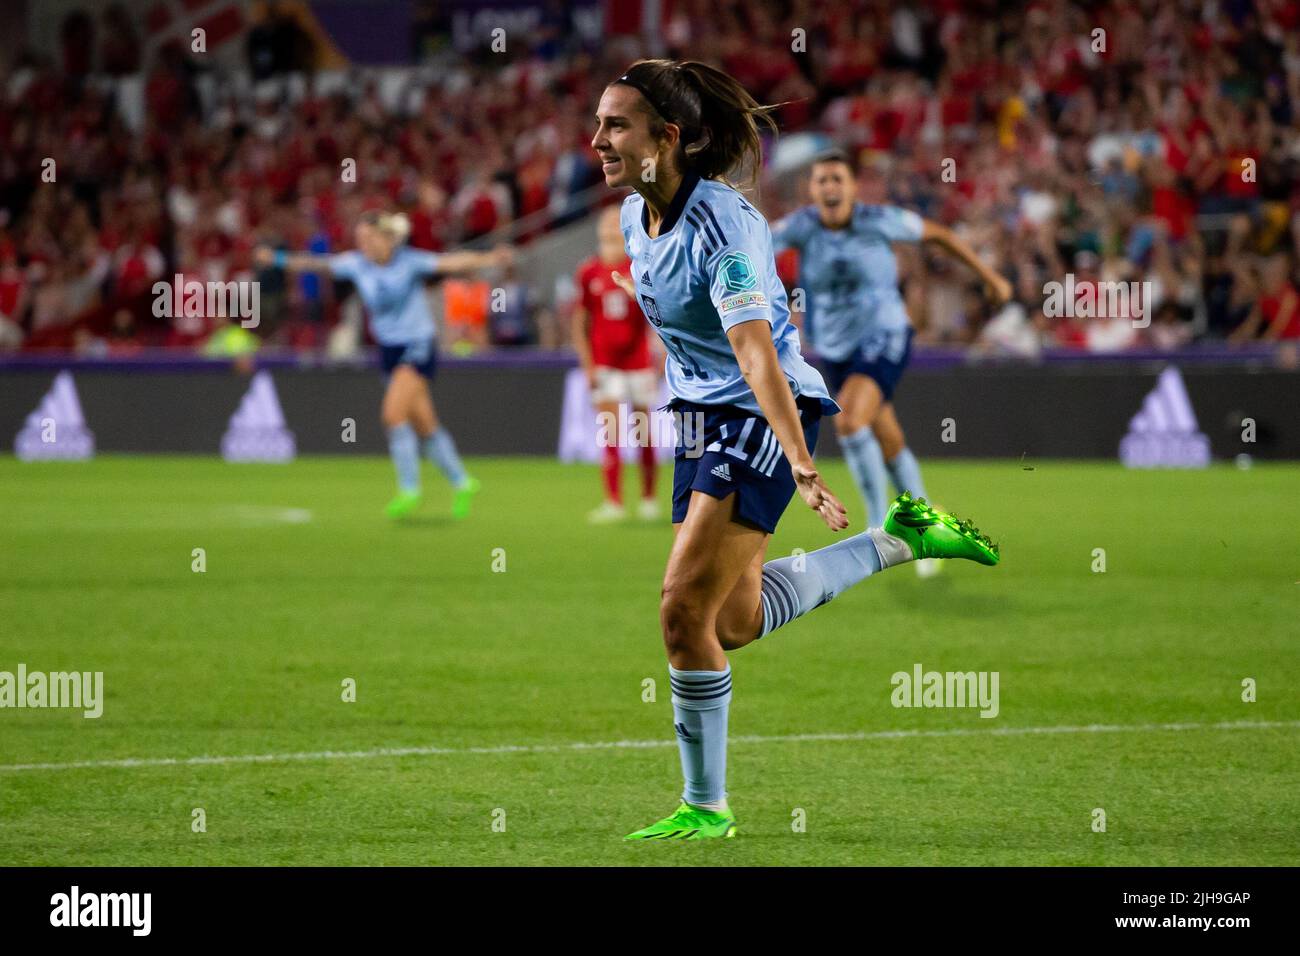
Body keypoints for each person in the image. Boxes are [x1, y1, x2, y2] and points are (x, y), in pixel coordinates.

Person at [593, 59, 1001, 842]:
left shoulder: (728, 226)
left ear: (667, 137)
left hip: (760, 415)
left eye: (617, 124)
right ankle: (901, 537)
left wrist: (801, 463)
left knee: (681, 611)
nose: (597, 138)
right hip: (702, 421)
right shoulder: (631, 217)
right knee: (733, 621)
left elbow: (755, 353)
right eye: (600, 122)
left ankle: (706, 806)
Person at [773, 150, 1011, 576]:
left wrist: (989, 276)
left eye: (837, 179)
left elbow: (938, 234)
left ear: (851, 187)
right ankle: (924, 528)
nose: (829, 187)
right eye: (821, 180)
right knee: (886, 435)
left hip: (885, 335)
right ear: (812, 189)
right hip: (836, 349)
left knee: (848, 420)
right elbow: (750, 242)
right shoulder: (803, 227)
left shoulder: (878, 219)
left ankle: (880, 529)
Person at [255, 211, 508, 519]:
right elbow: (315, 264)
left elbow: (451, 263)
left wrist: (490, 258)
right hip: (389, 350)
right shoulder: (356, 265)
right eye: (359, 238)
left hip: (417, 347)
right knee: (425, 425)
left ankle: (409, 490)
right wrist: (277, 259)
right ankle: (462, 481)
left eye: (368, 237)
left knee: (393, 415)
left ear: (386, 237)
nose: (363, 244)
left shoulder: (409, 261)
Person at [572, 205, 661, 523]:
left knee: (643, 431)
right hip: (605, 362)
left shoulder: (636, 268)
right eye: (605, 224)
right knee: (610, 432)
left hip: (637, 362)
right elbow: (580, 321)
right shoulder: (588, 272)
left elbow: (654, 315)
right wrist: (588, 365)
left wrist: (658, 353)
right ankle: (614, 501)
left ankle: (649, 498)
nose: (610, 229)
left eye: (615, 224)